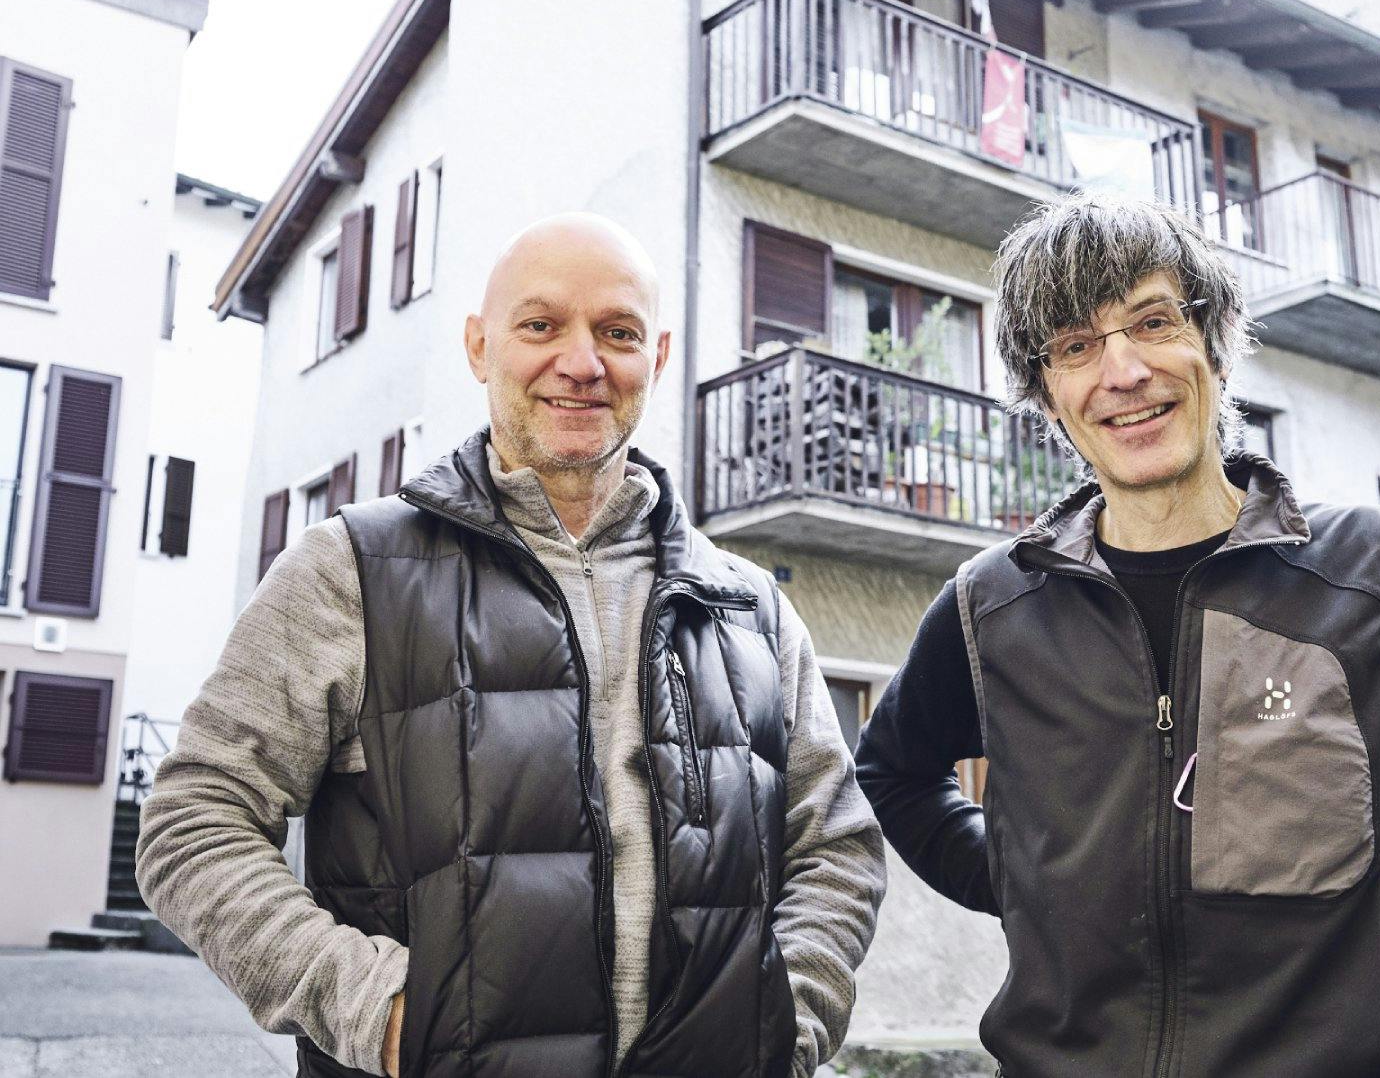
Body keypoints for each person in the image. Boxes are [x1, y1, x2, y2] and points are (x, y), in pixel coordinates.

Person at [140, 213, 886, 1078]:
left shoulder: (750, 608)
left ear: (659, 356)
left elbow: (836, 845)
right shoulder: (352, 570)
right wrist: (378, 1013)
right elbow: (193, 822)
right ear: (478, 346)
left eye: (618, 332)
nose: (582, 362)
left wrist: (782, 1025)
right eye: (541, 326)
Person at [854, 193, 1380, 1077]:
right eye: (1076, 346)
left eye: (1152, 322)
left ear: (1215, 341)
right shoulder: (990, 607)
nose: (1124, 371)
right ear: (1049, 394)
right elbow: (892, 771)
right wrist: (1029, 885)